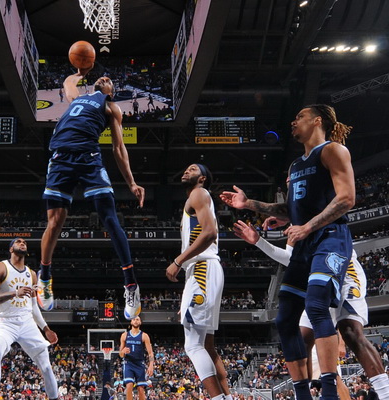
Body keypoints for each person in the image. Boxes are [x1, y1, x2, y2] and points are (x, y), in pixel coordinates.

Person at [220, 104, 356, 400]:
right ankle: (302, 394)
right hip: (304, 244)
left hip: (330, 237)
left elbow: (347, 198)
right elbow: (290, 208)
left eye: (300, 117)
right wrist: (249, 204)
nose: (293, 122)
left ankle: (330, 392)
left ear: (317, 121)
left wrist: (307, 226)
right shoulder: (296, 166)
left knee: (317, 306)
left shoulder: (332, 151)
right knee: (284, 319)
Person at [233, 219, 389, 399]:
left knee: (350, 331)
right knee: (303, 339)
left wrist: (261, 239)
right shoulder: (295, 223)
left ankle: (385, 393)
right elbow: (292, 259)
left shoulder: (317, 215)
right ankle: (305, 394)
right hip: (317, 279)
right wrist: (259, 240)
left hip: (343, 269)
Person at [38, 64, 145, 319]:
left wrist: (131, 182)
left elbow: (118, 148)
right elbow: (67, 84)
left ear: (111, 92)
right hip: (61, 159)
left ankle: (131, 285)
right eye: (103, 77)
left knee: (109, 218)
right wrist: (79, 73)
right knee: (55, 221)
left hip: (89, 158)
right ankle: (45, 277)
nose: (105, 77)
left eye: (110, 80)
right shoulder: (79, 98)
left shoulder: (111, 107)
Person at [166, 164, 232, 400]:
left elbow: (210, 233)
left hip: (202, 268)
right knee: (207, 346)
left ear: (202, 178)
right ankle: (227, 397)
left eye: (192, 169)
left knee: (193, 345)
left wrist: (178, 260)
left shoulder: (198, 193)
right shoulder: (197, 198)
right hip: (203, 272)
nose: (185, 171)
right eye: (185, 169)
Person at [0, 238, 59, 400]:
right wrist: (14, 293)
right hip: (5, 322)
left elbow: (34, 307)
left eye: (24, 242)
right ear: (11, 249)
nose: (22, 243)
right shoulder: (0, 267)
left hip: (27, 323)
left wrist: (46, 329)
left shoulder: (31, 274)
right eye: (18, 241)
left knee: (46, 366)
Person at [119, 316, 154, 400]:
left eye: (137, 319)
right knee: (129, 385)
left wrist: (151, 365)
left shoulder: (144, 336)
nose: (135, 321)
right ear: (131, 322)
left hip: (140, 364)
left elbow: (150, 353)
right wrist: (123, 351)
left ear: (140, 322)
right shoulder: (125, 335)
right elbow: (120, 354)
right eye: (134, 319)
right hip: (128, 363)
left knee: (141, 389)